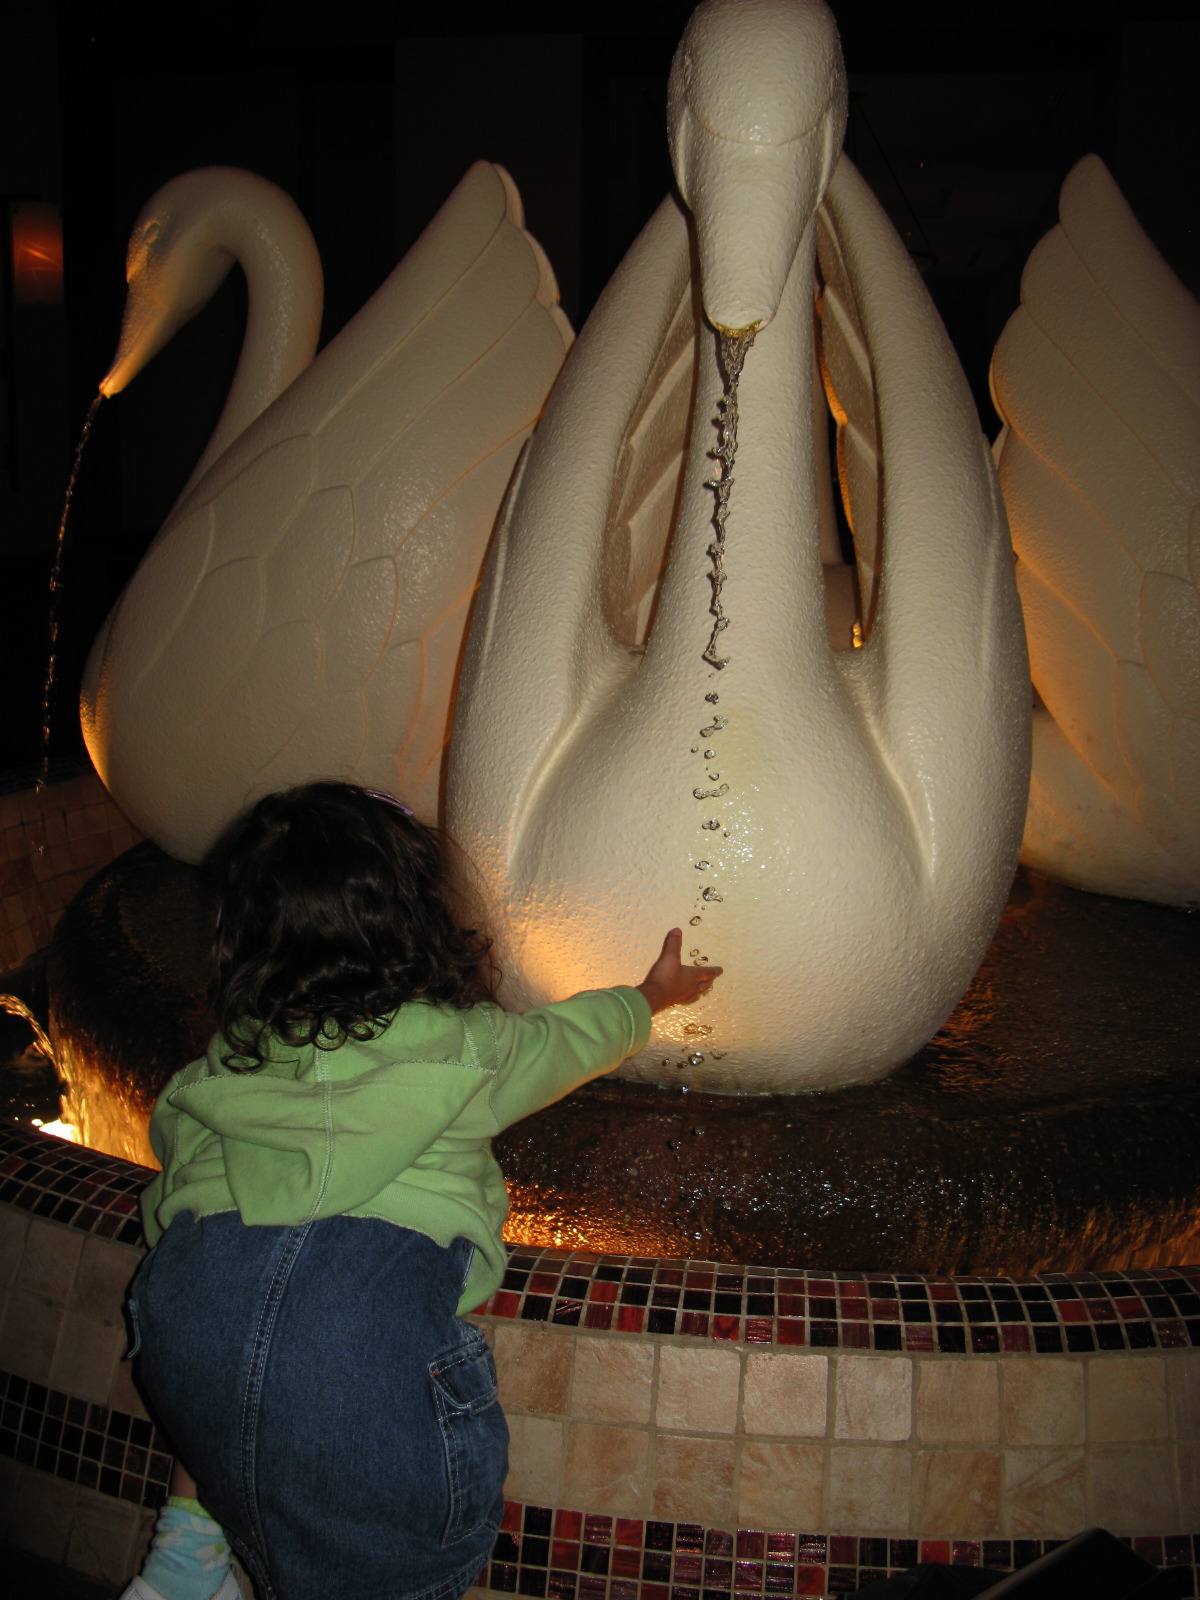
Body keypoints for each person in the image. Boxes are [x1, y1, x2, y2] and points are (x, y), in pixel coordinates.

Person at [122, 782, 721, 1600]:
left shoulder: (225, 1065)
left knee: (237, 1329)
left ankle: (185, 1555)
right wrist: (652, 996)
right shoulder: (464, 1047)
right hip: (355, 1353)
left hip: (186, 1325)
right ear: (417, 920)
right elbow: (570, 1039)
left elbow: (175, 1189)